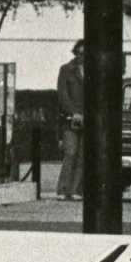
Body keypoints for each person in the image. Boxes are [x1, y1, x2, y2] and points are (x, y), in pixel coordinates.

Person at [56, 40, 86, 200]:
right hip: (71, 119)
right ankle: (63, 189)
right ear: (75, 53)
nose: (82, 57)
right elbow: (63, 94)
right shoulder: (66, 70)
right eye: (80, 53)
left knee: (83, 155)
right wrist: (73, 112)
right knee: (71, 152)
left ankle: (76, 190)